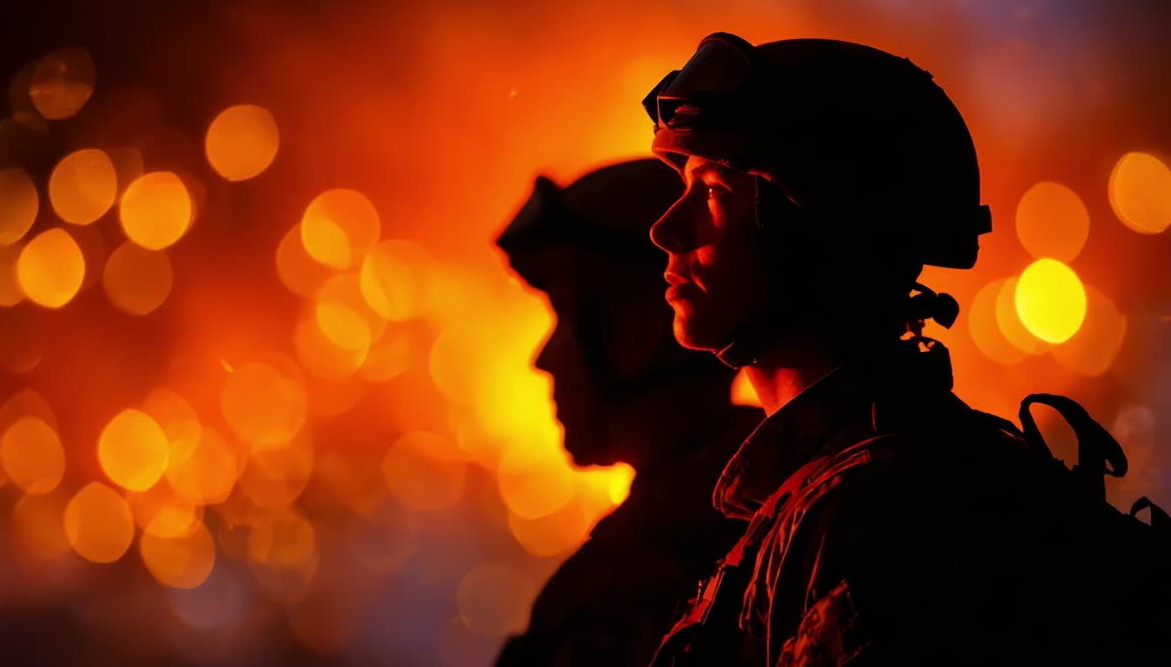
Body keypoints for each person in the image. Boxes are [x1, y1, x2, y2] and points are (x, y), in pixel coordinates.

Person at [638, 33, 1157, 665]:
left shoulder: (874, 514)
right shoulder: (826, 501)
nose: (666, 230)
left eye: (715, 190)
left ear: (817, 232)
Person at [492, 158, 763, 667]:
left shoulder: (638, 581)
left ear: (640, 332)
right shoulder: (767, 514)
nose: (543, 359)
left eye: (565, 316)